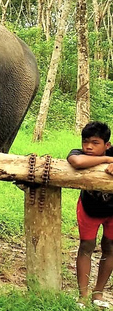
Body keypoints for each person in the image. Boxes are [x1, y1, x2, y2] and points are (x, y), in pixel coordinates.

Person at [68, 121, 113, 308]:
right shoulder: (77, 153)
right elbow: (77, 163)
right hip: (89, 208)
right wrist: (108, 160)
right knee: (86, 246)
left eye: (95, 143)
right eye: (85, 141)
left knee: (110, 247)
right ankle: (82, 295)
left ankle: (98, 293)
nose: (88, 146)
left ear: (107, 145)